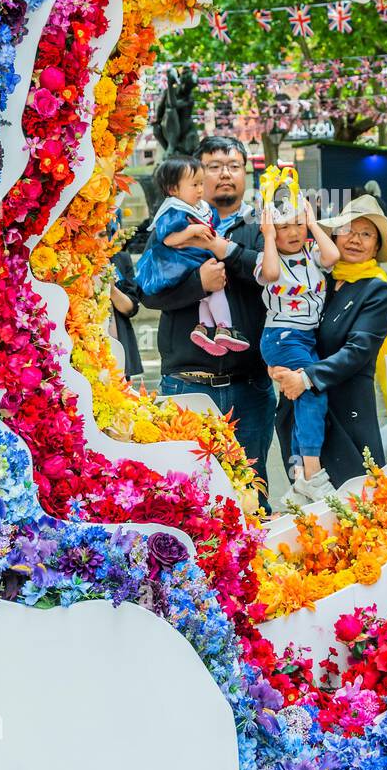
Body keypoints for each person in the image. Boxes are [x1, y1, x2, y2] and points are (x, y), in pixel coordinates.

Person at [137, 135, 276, 509]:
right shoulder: (172, 225)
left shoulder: (263, 224)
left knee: (253, 491)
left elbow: (275, 275)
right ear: (195, 175)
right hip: (187, 384)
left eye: (233, 166)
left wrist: (225, 253)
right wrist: (198, 285)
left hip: (251, 386)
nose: (224, 175)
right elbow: (149, 292)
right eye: (213, 167)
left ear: (246, 173)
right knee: (191, 497)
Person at [271, 195, 387, 493]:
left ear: (377, 247)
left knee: (355, 510)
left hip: (347, 416)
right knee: (309, 520)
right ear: (334, 236)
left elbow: (358, 351)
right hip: (303, 414)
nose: (355, 239)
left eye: (366, 234)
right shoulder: (317, 281)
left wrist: (305, 378)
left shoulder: (377, 291)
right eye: (348, 230)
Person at [256, 179, 339, 502]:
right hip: (282, 337)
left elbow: (331, 256)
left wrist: (312, 222)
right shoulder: (266, 258)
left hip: (306, 338)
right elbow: (273, 275)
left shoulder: (313, 253)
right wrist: (267, 237)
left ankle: (299, 482)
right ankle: (312, 473)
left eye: (296, 224)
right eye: (282, 227)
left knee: (301, 399)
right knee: (313, 391)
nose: (292, 233)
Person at [136, 155, 249, 356]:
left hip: (193, 260)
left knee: (206, 295)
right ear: (173, 189)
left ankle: (204, 328)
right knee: (213, 290)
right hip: (181, 262)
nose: (200, 189)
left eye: (201, 183)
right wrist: (192, 231)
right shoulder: (174, 210)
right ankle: (224, 327)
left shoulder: (205, 210)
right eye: (194, 184)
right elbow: (169, 238)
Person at [109, 246, 144, 378]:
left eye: (103, 234)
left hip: (118, 345)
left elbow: (131, 308)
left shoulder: (120, 259)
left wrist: (111, 289)